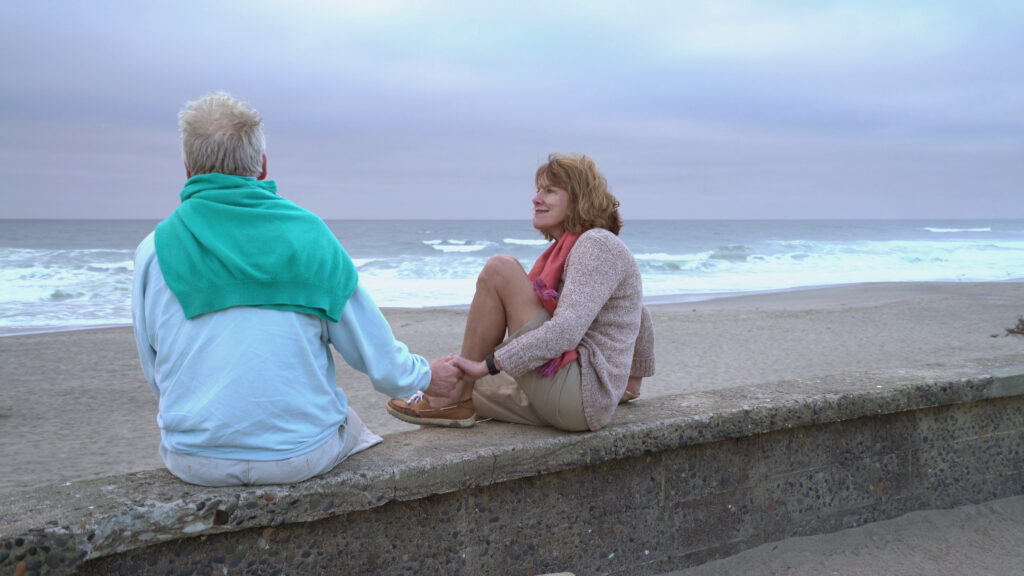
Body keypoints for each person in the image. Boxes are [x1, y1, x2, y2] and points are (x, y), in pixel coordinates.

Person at [131, 91, 462, 487]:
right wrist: (428, 376)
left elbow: (157, 371)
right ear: (262, 165)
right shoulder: (310, 236)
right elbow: (380, 362)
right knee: (353, 428)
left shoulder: (154, 249)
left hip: (192, 459)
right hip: (298, 457)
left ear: (188, 169)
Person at [387, 153, 655, 432]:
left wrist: (490, 363)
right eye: (538, 190)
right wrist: (632, 383)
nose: (536, 198)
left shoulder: (596, 244)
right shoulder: (574, 250)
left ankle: (455, 399)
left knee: (499, 269)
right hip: (580, 398)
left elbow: (566, 331)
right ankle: (452, 399)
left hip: (579, 395)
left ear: (578, 199)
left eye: (550, 191)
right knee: (453, 386)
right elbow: (638, 310)